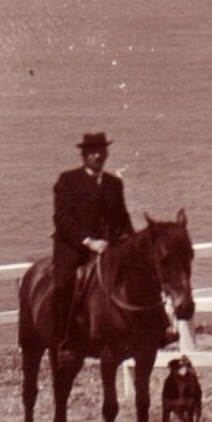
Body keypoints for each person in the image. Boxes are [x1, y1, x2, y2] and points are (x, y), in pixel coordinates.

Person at [51, 131, 134, 361]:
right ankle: (64, 341)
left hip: (108, 248)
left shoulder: (113, 183)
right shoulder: (67, 181)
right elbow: (62, 220)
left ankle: (157, 328)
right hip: (74, 248)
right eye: (92, 152)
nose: (98, 156)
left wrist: (130, 241)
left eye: (101, 152)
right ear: (84, 156)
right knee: (64, 285)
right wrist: (89, 242)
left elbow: (122, 219)